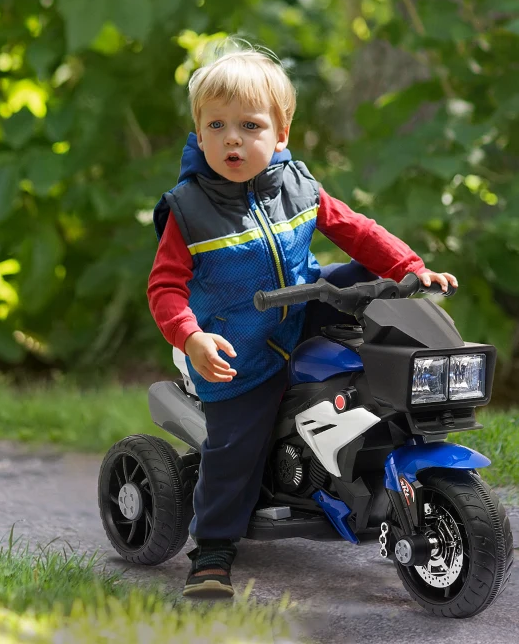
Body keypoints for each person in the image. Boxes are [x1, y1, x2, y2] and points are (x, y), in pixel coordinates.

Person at [147, 42, 457, 599]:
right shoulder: (189, 208)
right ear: (198, 132)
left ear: (281, 133)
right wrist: (191, 336)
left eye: (249, 124)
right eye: (216, 125)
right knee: (235, 443)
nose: (233, 139)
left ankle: (376, 441)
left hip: (304, 305)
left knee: (373, 274)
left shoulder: (299, 185)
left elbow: (356, 229)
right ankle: (213, 551)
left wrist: (411, 268)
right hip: (241, 343)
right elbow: (165, 287)